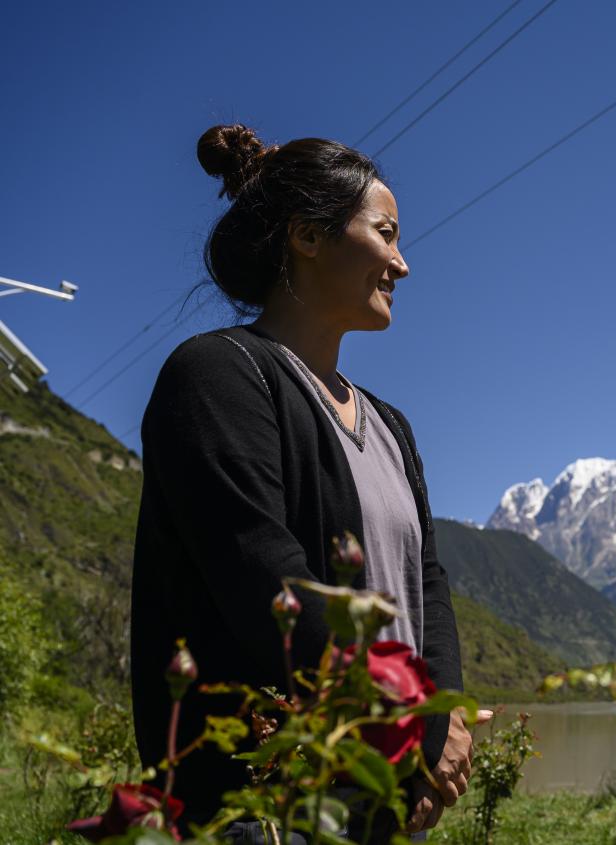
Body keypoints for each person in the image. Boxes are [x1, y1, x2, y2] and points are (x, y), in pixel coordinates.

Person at [131, 124, 474, 841]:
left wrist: (436, 724)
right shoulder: (217, 375)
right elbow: (267, 583)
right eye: (385, 232)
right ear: (307, 237)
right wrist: (416, 731)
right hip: (267, 804)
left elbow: (427, 587)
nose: (403, 264)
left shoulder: (391, 425)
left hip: (380, 792)